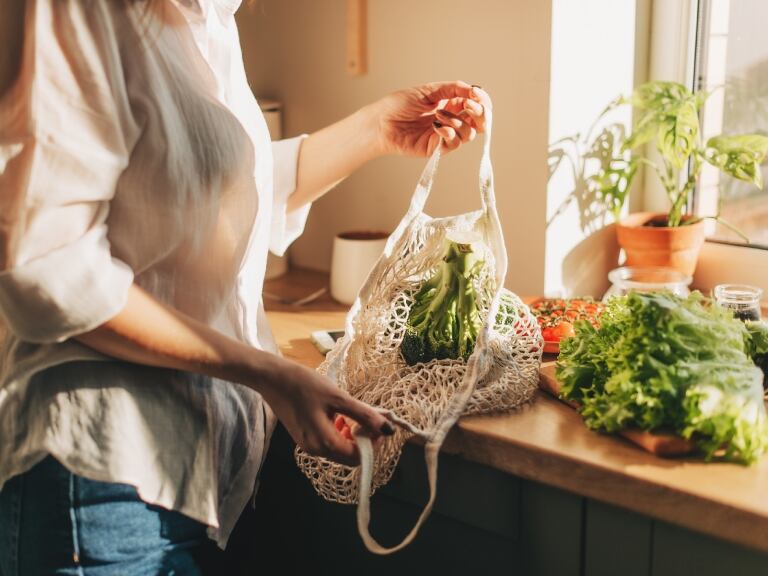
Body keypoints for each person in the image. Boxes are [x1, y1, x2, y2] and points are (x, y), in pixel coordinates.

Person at [0, 1, 491, 574]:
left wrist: (374, 128)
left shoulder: (209, 17)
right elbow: (46, 269)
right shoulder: (83, 11)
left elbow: (214, 191)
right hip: (104, 483)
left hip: (211, 480)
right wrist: (268, 372)